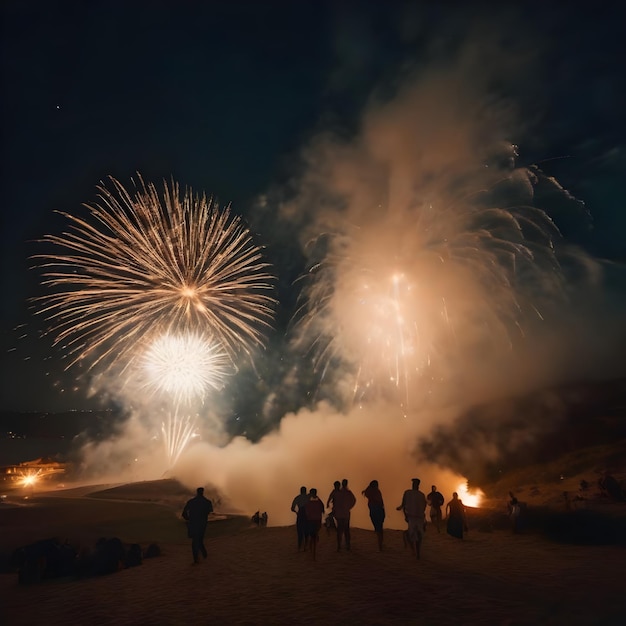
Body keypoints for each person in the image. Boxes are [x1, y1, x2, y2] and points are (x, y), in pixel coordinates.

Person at [396, 478, 427, 559]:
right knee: (416, 535)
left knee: (412, 535)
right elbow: (424, 506)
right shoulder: (420, 494)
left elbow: (403, 504)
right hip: (416, 517)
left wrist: (403, 511)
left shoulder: (409, 493)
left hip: (414, 517)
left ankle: (415, 551)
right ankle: (416, 552)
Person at [182, 487, 214, 564]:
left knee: (195, 541)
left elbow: (184, 514)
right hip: (202, 524)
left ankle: (197, 558)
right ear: (203, 492)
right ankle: (203, 554)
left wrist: (189, 519)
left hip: (193, 523)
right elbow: (210, 511)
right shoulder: (207, 502)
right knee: (199, 540)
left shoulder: (191, 502)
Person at [333, 478, 357, 551]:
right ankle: (347, 545)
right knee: (346, 530)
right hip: (345, 513)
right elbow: (354, 500)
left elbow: (334, 502)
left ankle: (339, 546)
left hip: (339, 513)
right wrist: (349, 507)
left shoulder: (338, 493)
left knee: (339, 530)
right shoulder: (348, 492)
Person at [362, 479, 385, 551]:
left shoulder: (372, 492)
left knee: (378, 529)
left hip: (375, 511)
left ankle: (380, 545)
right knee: (379, 528)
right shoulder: (376, 492)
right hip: (378, 511)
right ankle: (380, 545)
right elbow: (381, 502)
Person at [304, 488, 325, 561]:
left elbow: (306, 512)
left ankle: (311, 549)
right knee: (315, 534)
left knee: (312, 534)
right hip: (317, 520)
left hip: (311, 520)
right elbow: (323, 510)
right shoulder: (319, 501)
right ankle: (313, 550)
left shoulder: (308, 502)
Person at [290, 486, 310, 551]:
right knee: (306, 531)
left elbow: (292, 508)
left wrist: (296, 512)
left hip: (300, 514)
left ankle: (299, 546)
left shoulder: (297, 498)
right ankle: (306, 546)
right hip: (307, 515)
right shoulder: (308, 497)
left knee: (300, 531)